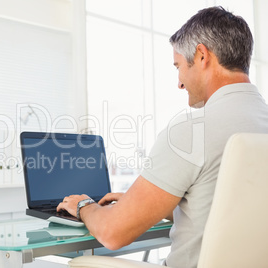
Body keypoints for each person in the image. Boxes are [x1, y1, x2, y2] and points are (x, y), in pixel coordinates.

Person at [57, 6, 268, 268]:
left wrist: (85, 206)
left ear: (202, 56)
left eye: (178, 66)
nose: (179, 83)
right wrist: (145, 205)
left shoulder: (192, 131)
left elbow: (112, 233)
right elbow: (231, 210)